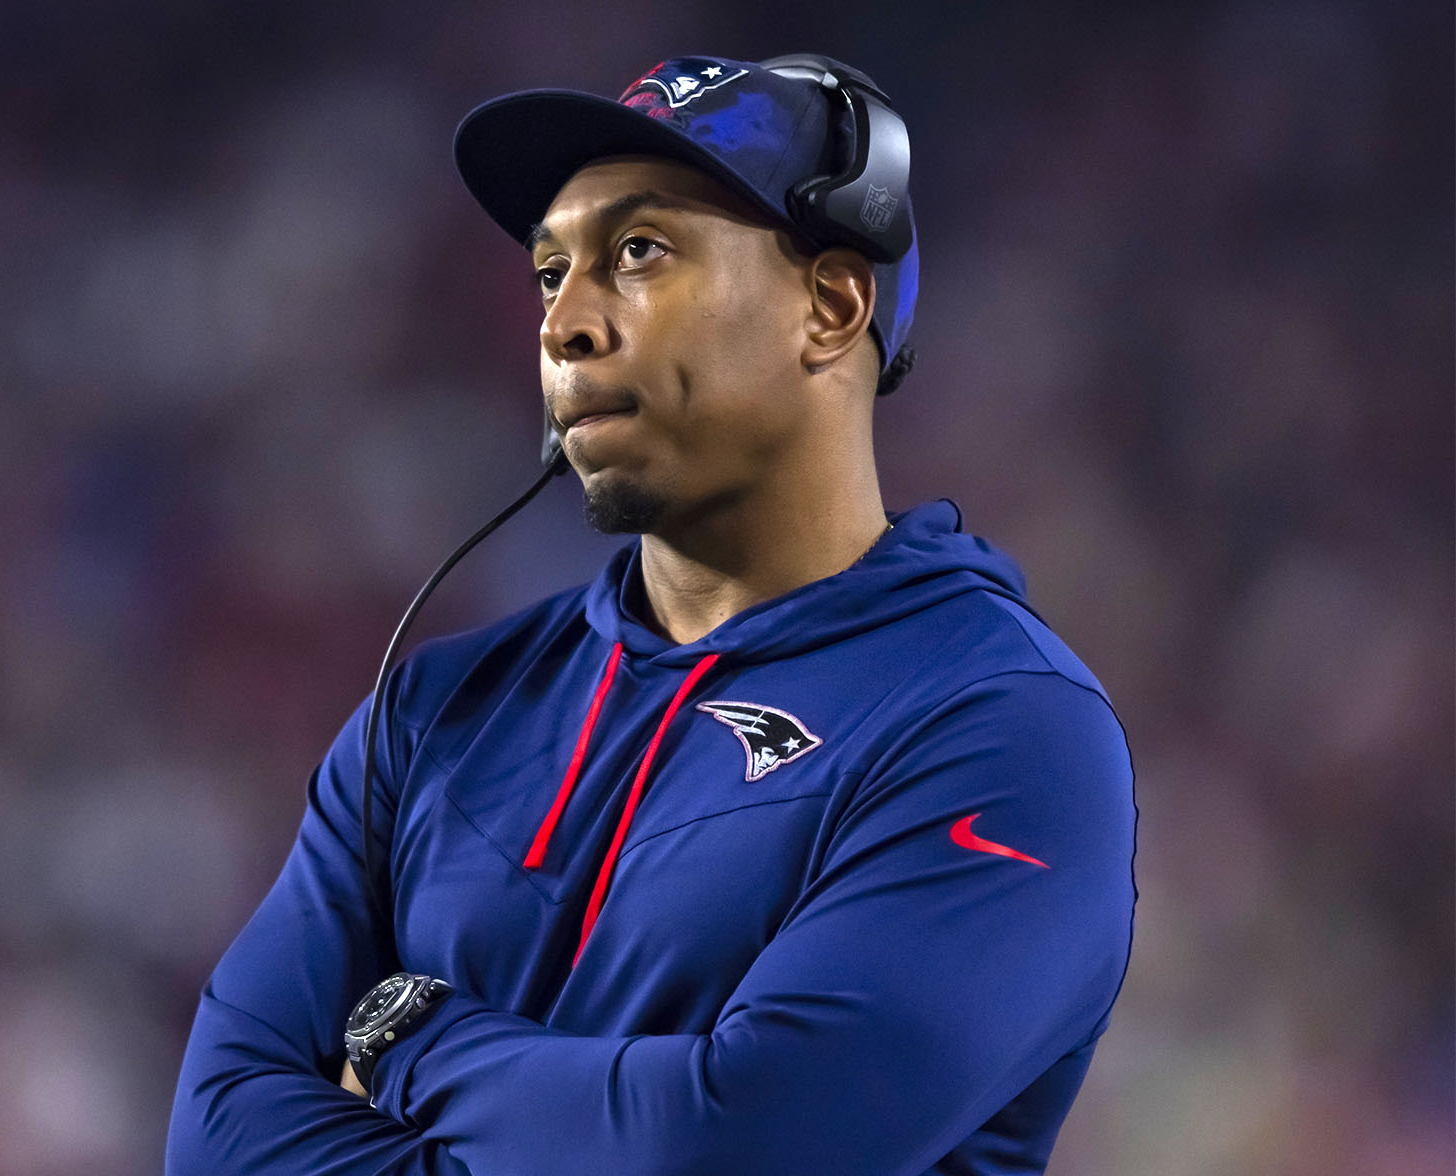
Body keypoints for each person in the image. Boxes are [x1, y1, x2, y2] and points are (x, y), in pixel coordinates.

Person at [166, 53, 1137, 1176]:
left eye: (636, 253)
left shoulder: (1001, 731)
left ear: (829, 305)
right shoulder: (433, 711)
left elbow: (732, 1147)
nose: (563, 324)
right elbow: (218, 1138)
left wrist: (407, 1038)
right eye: (547, 272)